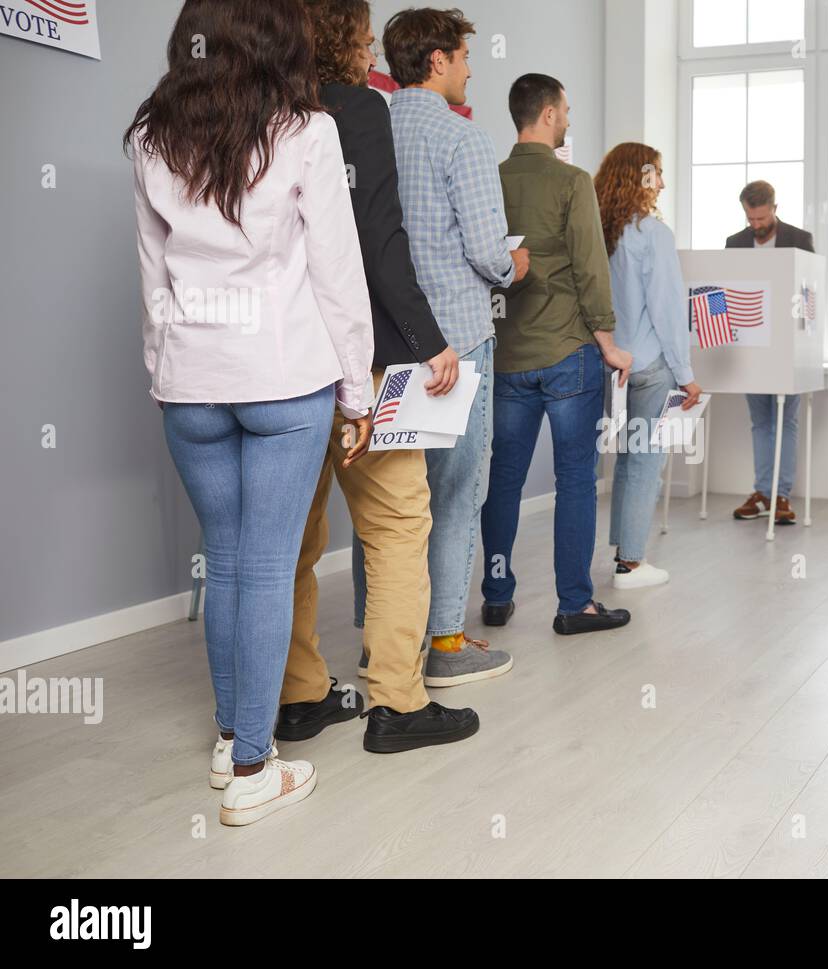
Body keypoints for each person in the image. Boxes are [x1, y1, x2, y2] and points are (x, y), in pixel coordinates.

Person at [127, 0, 373, 824]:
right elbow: (338, 275)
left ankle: (233, 736)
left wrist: (169, 369)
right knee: (264, 567)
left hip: (191, 383)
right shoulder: (308, 129)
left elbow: (153, 277)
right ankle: (254, 766)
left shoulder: (152, 135)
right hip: (280, 376)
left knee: (224, 561)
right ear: (278, 39)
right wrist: (358, 389)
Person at [278, 0, 480, 756]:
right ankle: (396, 701)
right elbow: (378, 240)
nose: (369, 40)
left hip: (283, 364)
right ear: (343, 34)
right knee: (398, 521)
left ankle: (299, 697)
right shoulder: (358, 107)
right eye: (360, 28)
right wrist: (430, 341)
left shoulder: (264, 107)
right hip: (360, 356)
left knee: (296, 535)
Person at [353, 7, 528, 683]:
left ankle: (385, 646)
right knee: (456, 494)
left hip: (385, 341)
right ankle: (447, 645)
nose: (468, 68)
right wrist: (519, 264)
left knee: (391, 504)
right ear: (437, 62)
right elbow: (489, 254)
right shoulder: (464, 139)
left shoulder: (365, 130)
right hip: (456, 341)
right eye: (462, 57)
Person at [481, 73, 634, 635]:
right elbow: (591, 267)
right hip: (570, 351)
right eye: (565, 110)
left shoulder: (489, 179)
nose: (569, 118)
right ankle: (575, 605)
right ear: (547, 114)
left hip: (507, 356)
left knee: (502, 479)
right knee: (575, 479)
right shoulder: (572, 181)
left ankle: (496, 595)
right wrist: (610, 341)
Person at [594, 143, 702, 589]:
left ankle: (623, 553)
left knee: (622, 459)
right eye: (657, 173)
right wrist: (687, 374)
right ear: (640, 177)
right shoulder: (653, 233)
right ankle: (631, 564)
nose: (662, 182)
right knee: (645, 460)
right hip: (650, 364)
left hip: (607, 358)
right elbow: (668, 309)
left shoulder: (597, 231)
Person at [725, 180, 815, 526]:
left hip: (789, 348)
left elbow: (812, 295)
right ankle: (763, 492)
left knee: (786, 421)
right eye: (751, 219)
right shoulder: (735, 244)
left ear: (774, 209)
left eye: (762, 218)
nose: (757, 225)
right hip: (750, 346)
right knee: (760, 421)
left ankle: (782, 496)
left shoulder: (799, 240)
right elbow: (729, 293)